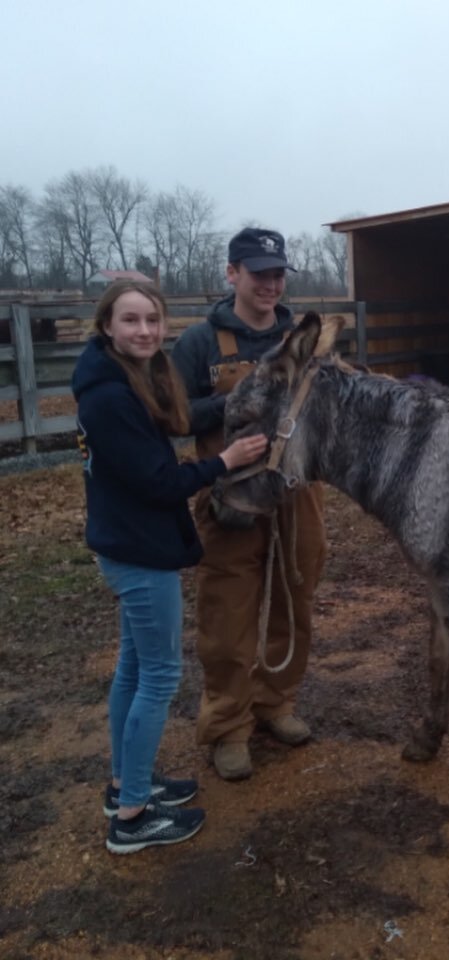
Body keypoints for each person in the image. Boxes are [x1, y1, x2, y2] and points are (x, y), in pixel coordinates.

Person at [72, 280, 268, 854]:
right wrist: (224, 462)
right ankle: (132, 817)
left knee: (132, 671)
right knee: (158, 676)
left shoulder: (114, 379)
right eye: (131, 321)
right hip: (139, 552)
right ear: (106, 325)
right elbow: (159, 484)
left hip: (127, 542)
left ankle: (124, 785)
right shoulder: (109, 399)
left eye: (152, 321)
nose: (144, 332)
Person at [172, 227, 326, 781]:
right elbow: (175, 416)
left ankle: (275, 702)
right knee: (228, 609)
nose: (271, 283)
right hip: (230, 492)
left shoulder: (303, 337)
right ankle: (228, 724)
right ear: (232, 273)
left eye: (278, 273)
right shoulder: (199, 344)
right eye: (259, 272)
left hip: (296, 492)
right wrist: (235, 405)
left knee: (296, 594)